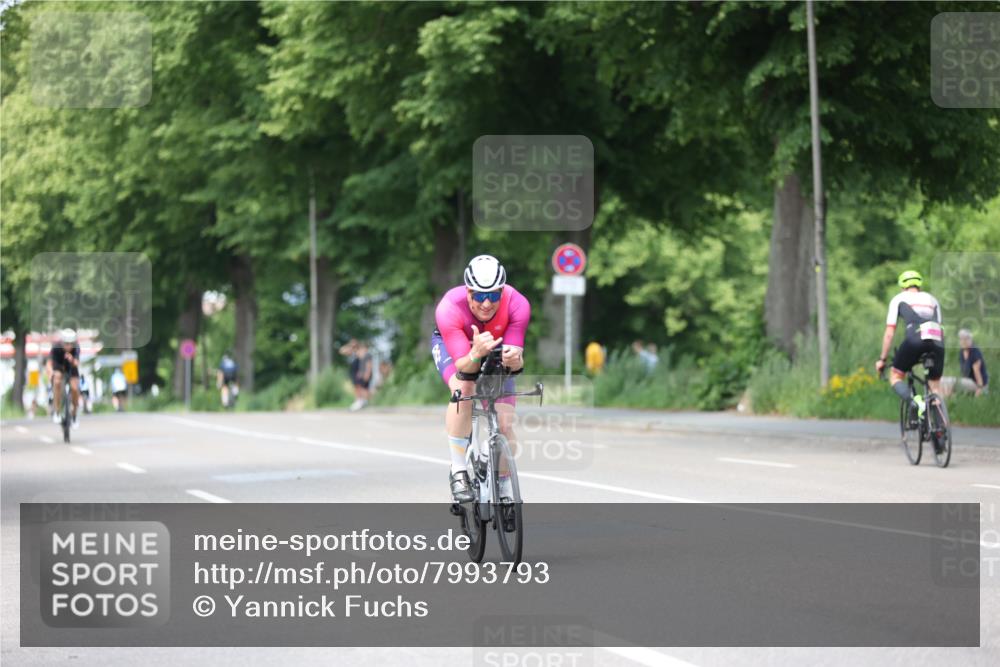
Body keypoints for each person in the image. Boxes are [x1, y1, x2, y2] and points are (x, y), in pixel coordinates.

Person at [431, 255, 530, 502]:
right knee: (464, 387)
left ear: (502, 292)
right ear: (468, 292)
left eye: (494, 295)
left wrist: (514, 360)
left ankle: (503, 483)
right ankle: (458, 470)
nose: (486, 303)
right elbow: (464, 366)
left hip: (494, 346)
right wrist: (475, 353)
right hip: (456, 348)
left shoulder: (518, 304)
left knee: (505, 424)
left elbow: (516, 361)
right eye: (479, 296)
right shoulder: (449, 308)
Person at [875, 270, 944, 421]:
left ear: (902, 286)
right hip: (937, 340)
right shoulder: (933, 299)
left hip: (915, 339)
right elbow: (940, 326)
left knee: (895, 376)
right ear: (919, 285)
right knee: (935, 386)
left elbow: (889, 333)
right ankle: (940, 428)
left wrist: (882, 359)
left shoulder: (898, 299)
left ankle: (915, 403)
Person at [46, 328, 81, 428]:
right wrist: (50, 373)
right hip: (59, 367)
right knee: (57, 381)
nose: (68, 346)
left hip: (71, 367)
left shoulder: (76, 347)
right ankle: (57, 411)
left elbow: (77, 363)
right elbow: (49, 363)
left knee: (75, 388)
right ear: (62, 342)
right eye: (66, 343)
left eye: (71, 343)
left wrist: (72, 359)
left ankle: (74, 415)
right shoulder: (56, 347)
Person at [957, 329, 989, 395]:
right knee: (947, 381)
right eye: (961, 339)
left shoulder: (975, 351)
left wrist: (980, 389)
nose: (963, 341)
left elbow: (977, 372)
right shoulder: (962, 351)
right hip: (969, 382)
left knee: (951, 383)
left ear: (970, 340)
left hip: (979, 384)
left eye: (965, 339)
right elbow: (964, 372)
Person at [349, 342, 372, 411]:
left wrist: (367, 373)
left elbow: (369, 365)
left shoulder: (368, 355)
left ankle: (364, 402)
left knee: (364, 388)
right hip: (362, 373)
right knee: (361, 387)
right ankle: (361, 401)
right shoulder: (363, 355)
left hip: (365, 374)